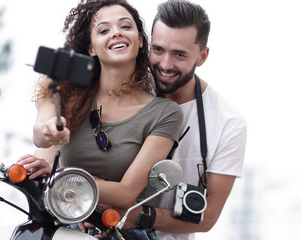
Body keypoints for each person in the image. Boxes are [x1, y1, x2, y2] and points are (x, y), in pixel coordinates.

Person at [18, 0, 183, 228]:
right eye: (104, 30)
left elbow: (126, 193)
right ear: (91, 48)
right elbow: (40, 134)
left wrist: (62, 176)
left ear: (141, 40)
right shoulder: (63, 90)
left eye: (125, 27)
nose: (116, 33)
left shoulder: (165, 113)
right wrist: (48, 132)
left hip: (115, 228)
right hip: (60, 221)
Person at [117, 1, 247, 240]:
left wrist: (137, 216)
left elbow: (207, 217)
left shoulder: (229, 123)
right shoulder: (119, 89)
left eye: (179, 54)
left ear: (202, 56)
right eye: (158, 50)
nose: (165, 64)